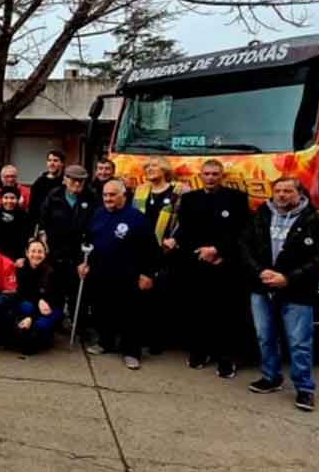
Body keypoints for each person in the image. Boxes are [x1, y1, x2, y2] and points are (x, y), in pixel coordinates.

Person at [240, 177, 319, 412]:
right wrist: (259, 272)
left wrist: (288, 278)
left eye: (287, 191)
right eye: (278, 191)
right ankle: (271, 378)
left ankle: (305, 389)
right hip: (262, 286)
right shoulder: (261, 214)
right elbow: (244, 245)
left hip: (297, 290)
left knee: (299, 342)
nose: (281, 195)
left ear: (299, 194)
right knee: (265, 336)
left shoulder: (315, 219)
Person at [170, 159, 249, 376]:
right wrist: (201, 252)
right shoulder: (189, 199)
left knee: (226, 314)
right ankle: (199, 352)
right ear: (201, 176)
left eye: (215, 174)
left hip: (225, 265)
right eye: (207, 174)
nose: (211, 178)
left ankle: (225, 359)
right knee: (197, 310)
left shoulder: (236, 199)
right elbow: (184, 232)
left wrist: (218, 251)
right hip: (196, 263)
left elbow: (241, 232)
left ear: (221, 176)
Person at [80, 179, 159, 370]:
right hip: (100, 273)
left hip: (128, 276)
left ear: (124, 195)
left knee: (130, 315)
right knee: (101, 310)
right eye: (105, 195)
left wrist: (148, 274)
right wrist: (83, 262)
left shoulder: (137, 218)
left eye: (112, 195)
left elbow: (151, 250)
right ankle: (105, 343)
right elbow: (87, 241)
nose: (108, 198)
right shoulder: (97, 214)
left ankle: (131, 352)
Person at [131, 157, 183, 356]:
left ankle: (158, 340)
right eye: (148, 167)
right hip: (142, 248)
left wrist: (175, 239)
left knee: (161, 296)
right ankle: (141, 336)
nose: (150, 170)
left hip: (165, 249)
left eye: (154, 166)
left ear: (164, 169)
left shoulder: (178, 191)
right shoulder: (141, 190)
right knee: (141, 293)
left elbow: (185, 219)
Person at [37, 164, 95, 322]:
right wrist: (43, 242)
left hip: (78, 253)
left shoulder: (91, 197)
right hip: (56, 251)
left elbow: (94, 226)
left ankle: (79, 326)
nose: (78, 184)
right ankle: (55, 322)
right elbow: (43, 222)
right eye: (74, 181)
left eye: (81, 182)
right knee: (55, 291)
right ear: (65, 180)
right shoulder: (53, 196)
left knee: (78, 294)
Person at [13, 239, 63, 355]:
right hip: (30, 307)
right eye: (33, 251)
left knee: (41, 324)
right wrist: (38, 301)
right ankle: (27, 334)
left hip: (50, 308)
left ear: (45, 254)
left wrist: (32, 318)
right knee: (26, 306)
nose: (36, 255)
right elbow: (21, 294)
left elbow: (56, 298)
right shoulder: (20, 270)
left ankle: (41, 336)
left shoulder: (52, 272)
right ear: (26, 253)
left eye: (40, 251)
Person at [0, 187, 32, 260]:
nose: (9, 201)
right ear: (1, 199)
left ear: (17, 199)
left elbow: (26, 240)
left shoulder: (24, 217)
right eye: (6, 198)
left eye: (12, 198)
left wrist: (22, 258)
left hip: (18, 258)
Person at [28, 150, 66, 226]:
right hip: (42, 224)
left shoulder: (66, 182)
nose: (51, 163)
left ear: (62, 163)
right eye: (49, 160)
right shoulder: (39, 183)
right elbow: (33, 207)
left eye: (55, 160)